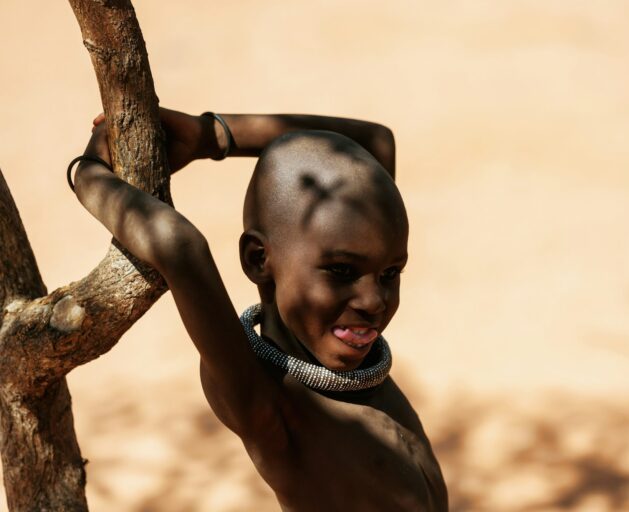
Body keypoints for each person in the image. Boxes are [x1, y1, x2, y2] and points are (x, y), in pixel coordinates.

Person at [70, 108, 449, 511]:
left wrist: (211, 135)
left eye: (391, 272)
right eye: (341, 271)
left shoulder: (354, 360)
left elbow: (374, 143)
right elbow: (180, 248)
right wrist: (88, 173)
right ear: (257, 259)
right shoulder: (270, 406)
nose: (373, 301)